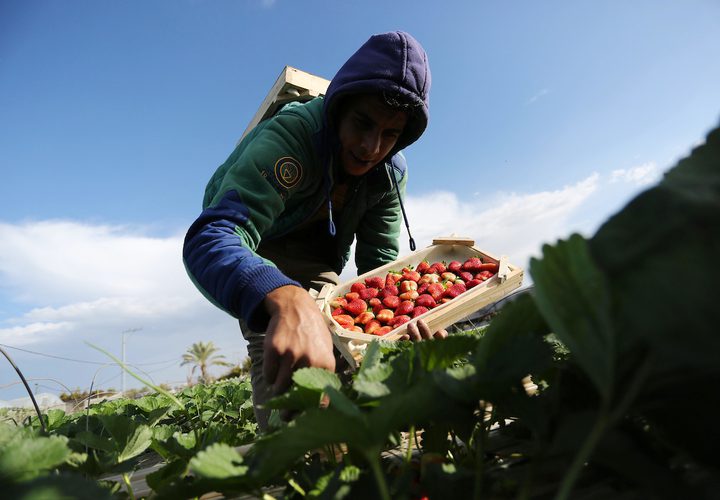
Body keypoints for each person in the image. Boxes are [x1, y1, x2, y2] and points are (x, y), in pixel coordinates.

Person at [183, 31, 445, 430]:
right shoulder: (290, 137)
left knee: (346, 361)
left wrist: (403, 322)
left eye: (390, 134)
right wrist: (286, 299)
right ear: (338, 109)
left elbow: (380, 269)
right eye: (363, 123)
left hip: (320, 255)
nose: (372, 147)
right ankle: (291, 449)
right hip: (258, 251)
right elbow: (213, 235)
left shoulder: (389, 173)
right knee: (291, 387)